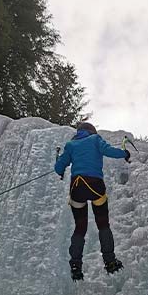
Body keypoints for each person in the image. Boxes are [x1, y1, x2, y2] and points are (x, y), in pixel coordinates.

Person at [53, 120, 130, 280]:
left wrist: (60, 167)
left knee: (80, 227)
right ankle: (110, 262)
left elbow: (59, 167)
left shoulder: (71, 145)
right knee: (103, 225)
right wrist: (125, 153)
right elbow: (109, 151)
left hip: (77, 187)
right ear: (91, 131)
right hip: (95, 186)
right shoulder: (95, 139)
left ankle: (75, 265)